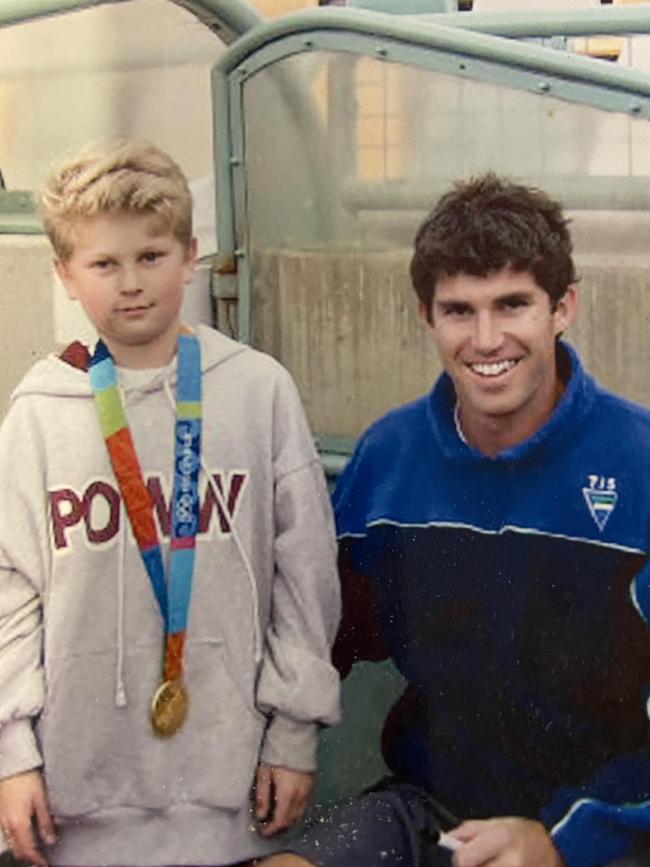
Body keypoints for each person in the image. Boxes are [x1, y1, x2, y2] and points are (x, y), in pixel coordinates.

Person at [260, 175, 650, 867]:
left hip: (604, 831)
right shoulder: (390, 455)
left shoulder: (638, 460)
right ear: (426, 316)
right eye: (459, 310)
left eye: (513, 304)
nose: (487, 337)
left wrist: (567, 840)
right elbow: (321, 633)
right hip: (427, 806)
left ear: (564, 308)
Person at [0, 141, 341, 867]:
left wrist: (293, 731)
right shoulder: (38, 412)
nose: (130, 284)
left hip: (229, 792)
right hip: (79, 802)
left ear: (190, 256)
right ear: (64, 274)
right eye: (103, 263)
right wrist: (10, 752)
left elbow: (304, 576)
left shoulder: (257, 390)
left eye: (151, 257)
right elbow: (10, 591)